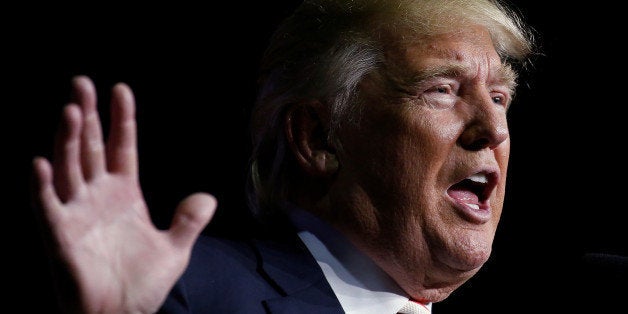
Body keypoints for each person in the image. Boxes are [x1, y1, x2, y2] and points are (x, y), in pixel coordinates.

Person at [31, 0, 536, 313]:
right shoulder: (181, 292)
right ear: (317, 138)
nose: (492, 129)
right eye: (443, 90)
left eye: (498, 97)